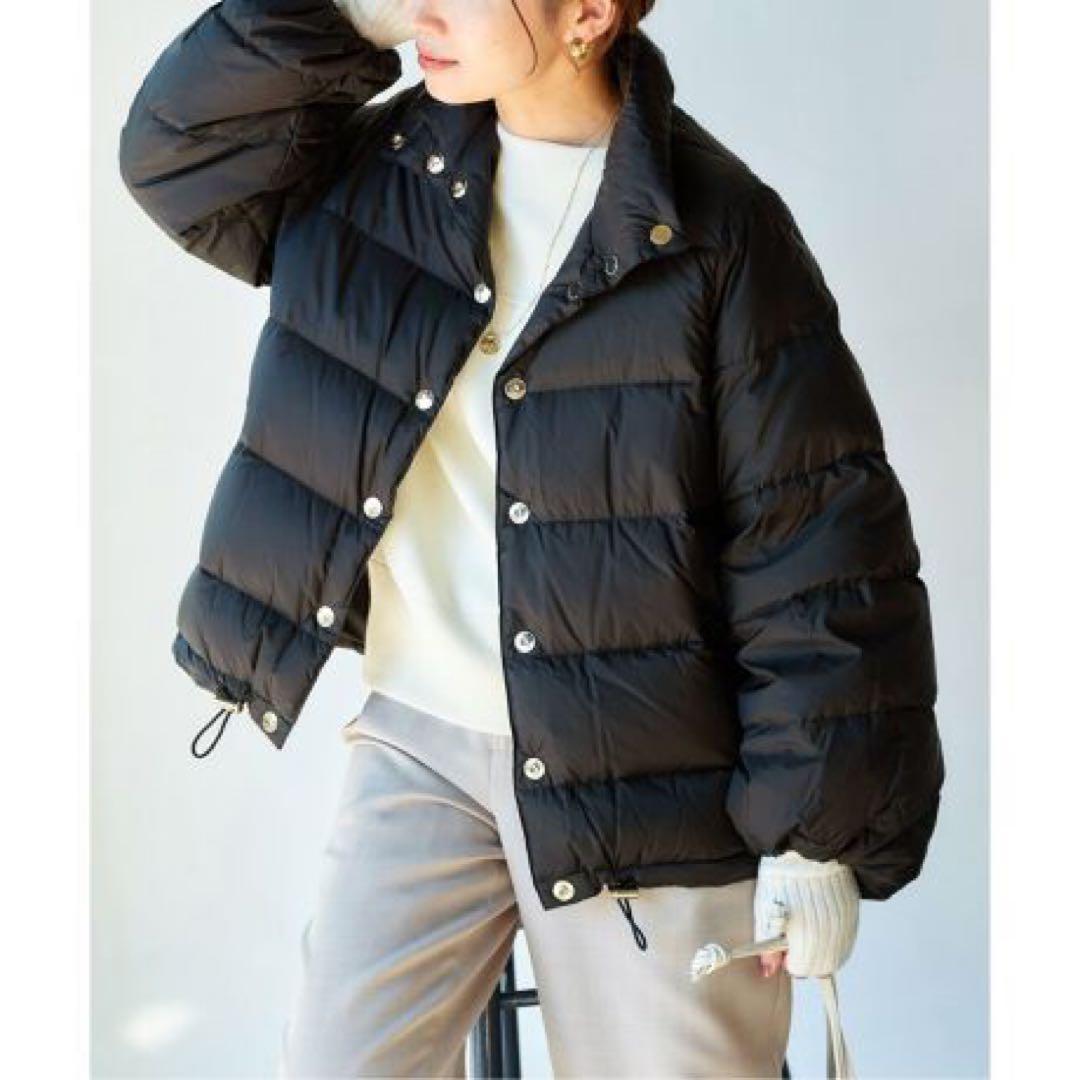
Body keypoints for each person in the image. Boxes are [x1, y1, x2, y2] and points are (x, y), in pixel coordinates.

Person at [117, 1, 945, 1075]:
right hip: (422, 740)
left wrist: (815, 837)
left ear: (587, 14)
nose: (424, 9)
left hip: (645, 771)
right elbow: (178, 151)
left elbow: (815, 542)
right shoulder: (375, 176)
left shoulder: (720, 231)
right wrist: (347, 12)